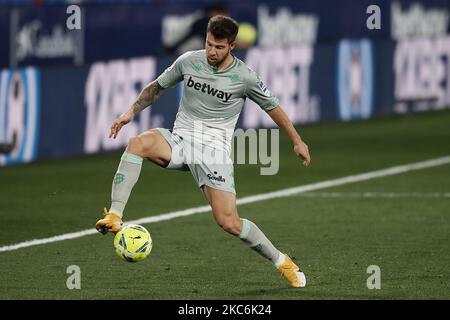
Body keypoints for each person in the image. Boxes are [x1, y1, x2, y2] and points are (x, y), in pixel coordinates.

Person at [96, 15, 311, 288]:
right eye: (209, 44)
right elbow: (157, 87)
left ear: (232, 46)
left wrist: (297, 141)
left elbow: (273, 108)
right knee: (137, 143)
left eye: (219, 47)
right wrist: (130, 112)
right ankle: (114, 215)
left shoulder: (244, 77)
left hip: (213, 153)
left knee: (229, 222)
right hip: (181, 141)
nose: (212, 51)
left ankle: (283, 262)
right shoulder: (189, 61)